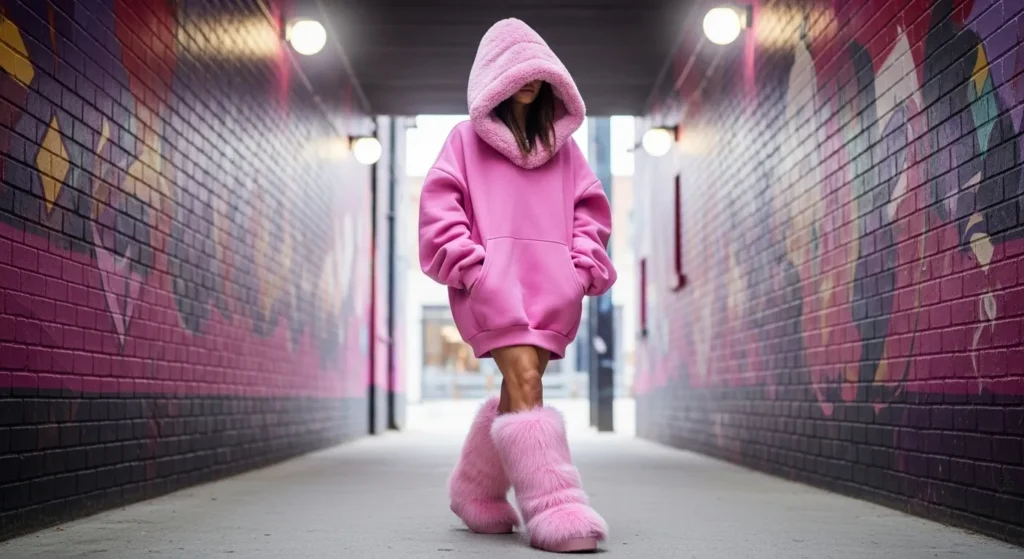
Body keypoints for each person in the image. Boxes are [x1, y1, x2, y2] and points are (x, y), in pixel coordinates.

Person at [418, 17, 616, 553]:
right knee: (527, 380)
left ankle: (474, 491)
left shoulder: (564, 148)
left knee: (518, 388)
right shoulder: (463, 141)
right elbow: (440, 206)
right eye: (516, 73)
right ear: (494, 80)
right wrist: (472, 267)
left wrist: (577, 271)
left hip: (553, 292)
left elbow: (590, 212)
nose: (529, 82)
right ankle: (556, 508)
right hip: (494, 287)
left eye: (539, 74)